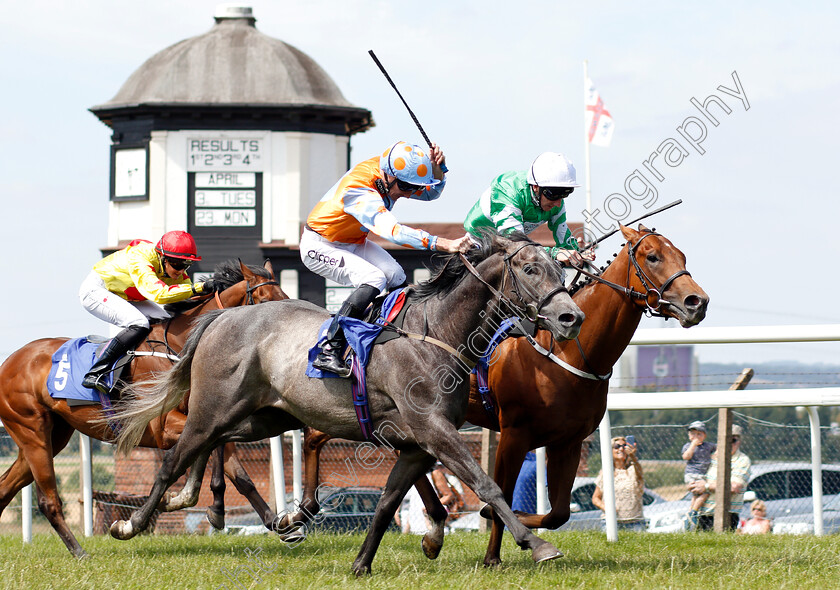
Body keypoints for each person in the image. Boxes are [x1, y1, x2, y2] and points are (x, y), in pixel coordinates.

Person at [300, 140, 471, 377]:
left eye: (412, 187)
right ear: (389, 176)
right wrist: (445, 243)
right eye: (404, 187)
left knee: (396, 275)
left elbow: (431, 194)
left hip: (352, 241)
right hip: (319, 246)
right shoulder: (360, 191)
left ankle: (392, 333)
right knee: (374, 278)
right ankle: (329, 348)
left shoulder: (393, 174)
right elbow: (395, 233)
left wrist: (439, 169)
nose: (408, 194)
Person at [78, 230, 210, 392]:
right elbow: (159, 294)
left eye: (186, 265)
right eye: (177, 264)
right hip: (97, 290)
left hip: (127, 296)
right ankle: (96, 373)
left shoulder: (173, 267)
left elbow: (187, 295)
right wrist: (200, 287)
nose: (181, 271)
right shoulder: (141, 258)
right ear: (162, 257)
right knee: (139, 323)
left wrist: (215, 289)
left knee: (165, 322)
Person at [463, 152, 596, 267]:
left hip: (512, 249)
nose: (558, 202)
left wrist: (576, 251)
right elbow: (516, 245)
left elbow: (564, 239)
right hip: (479, 245)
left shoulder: (556, 201)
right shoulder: (508, 192)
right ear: (535, 187)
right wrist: (556, 253)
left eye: (565, 193)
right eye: (554, 193)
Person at [689, 424, 751, 531]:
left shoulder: (742, 460)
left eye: (733, 440)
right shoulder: (710, 456)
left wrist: (706, 487)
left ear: (739, 441)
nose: (729, 443)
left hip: (726, 515)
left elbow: (734, 487)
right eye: (725, 440)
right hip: (702, 513)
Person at [592, 436, 646, 531]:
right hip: (611, 522)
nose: (621, 449)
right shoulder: (605, 473)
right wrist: (606, 508)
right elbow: (596, 498)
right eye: (617, 446)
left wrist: (633, 456)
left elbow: (640, 473)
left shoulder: (633, 469)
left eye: (624, 446)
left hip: (635, 523)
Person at [682, 420, 717, 528]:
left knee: (696, 495)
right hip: (692, 474)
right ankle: (694, 512)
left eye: (699, 434)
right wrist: (693, 445)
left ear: (704, 436)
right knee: (705, 492)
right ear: (689, 435)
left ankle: (690, 515)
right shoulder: (688, 446)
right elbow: (686, 457)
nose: (696, 436)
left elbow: (718, 449)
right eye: (693, 434)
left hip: (702, 474)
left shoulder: (708, 446)